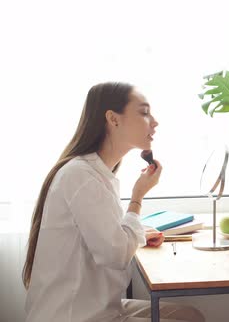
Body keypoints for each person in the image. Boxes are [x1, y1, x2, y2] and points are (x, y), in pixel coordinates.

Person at [22, 82, 205, 322]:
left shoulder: (96, 174)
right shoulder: (81, 176)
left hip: (96, 306)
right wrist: (138, 197)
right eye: (144, 112)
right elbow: (116, 255)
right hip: (75, 315)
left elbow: (106, 238)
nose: (155, 121)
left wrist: (135, 232)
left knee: (190, 316)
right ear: (113, 119)